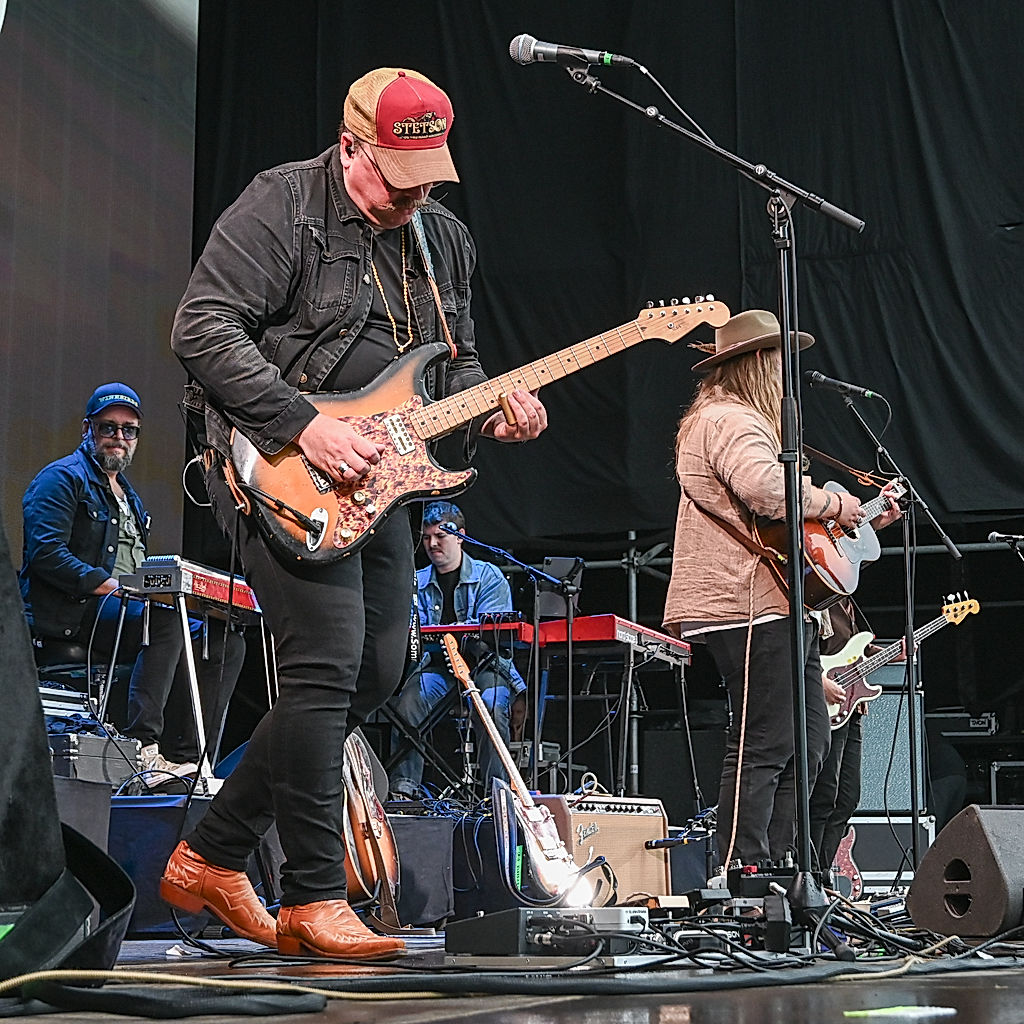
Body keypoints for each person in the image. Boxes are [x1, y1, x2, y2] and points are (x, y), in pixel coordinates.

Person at [161, 67, 547, 958]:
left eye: (427, 181)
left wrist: (493, 409)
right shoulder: (283, 205)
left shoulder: (442, 239)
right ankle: (312, 897)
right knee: (327, 663)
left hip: (382, 479)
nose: (413, 200)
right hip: (279, 466)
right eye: (397, 180)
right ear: (350, 146)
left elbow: (455, 363)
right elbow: (201, 327)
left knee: (378, 668)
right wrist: (304, 424)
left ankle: (211, 854)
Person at [662, 309, 872, 872]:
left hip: (772, 601)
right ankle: (743, 872)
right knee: (766, 742)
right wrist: (836, 503)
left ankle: (779, 868)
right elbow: (767, 490)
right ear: (759, 362)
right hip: (744, 602)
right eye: (780, 360)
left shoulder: (729, 418)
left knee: (807, 741)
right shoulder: (729, 419)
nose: (786, 372)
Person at [19, 383, 245, 784]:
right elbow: (46, 554)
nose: (119, 437)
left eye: (129, 430)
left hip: (125, 608)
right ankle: (143, 748)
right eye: (108, 427)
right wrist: (110, 587)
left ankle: (189, 760)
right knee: (164, 621)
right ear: (87, 429)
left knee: (223, 639)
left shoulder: (131, 498)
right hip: (74, 613)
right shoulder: (61, 479)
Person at [388, 500, 525, 800]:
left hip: (485, 667)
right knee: (410, 702)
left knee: (491, 705)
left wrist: (456, 635)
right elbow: (411, 631)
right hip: (438, 667)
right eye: (426, 538)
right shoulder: (416, 581)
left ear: (460, 536)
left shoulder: (489, 576)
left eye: (440, 536)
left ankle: (497, 795)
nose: (432, 544)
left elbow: (493, 636)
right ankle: (403, 790)